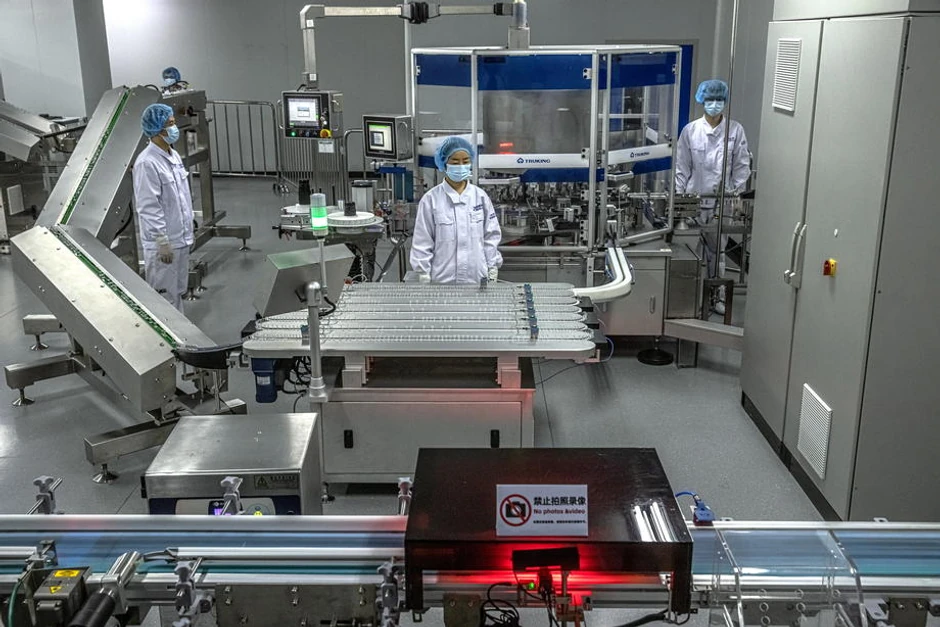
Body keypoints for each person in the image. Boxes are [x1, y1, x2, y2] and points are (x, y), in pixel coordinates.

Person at [675, 79, 751, 314]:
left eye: (718, 100)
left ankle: (716, 297)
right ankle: (693, 297)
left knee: (717, 253)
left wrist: (734, 196)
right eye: (710, 99)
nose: (714, 104)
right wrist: (680, 200)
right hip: (694, 200)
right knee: (691, 251)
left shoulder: (735, 131)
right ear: (702, 101)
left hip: (722, 202)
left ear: (725, 102)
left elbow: (742, 167)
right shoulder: (690, 131)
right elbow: (681, 167)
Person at [410, 136, 502, 284]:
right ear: (444, 163)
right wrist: (423, 272)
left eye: (465, 161)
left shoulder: (480, 197)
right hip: (443, 281)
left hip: (477, 280)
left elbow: (490, 235)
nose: (461, 166)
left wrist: (492, 265)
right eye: (455, 162)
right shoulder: (431, 200)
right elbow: (423, 240)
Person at [132, 103, 194, 312]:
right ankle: (170, 333)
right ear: (157, 129)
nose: (174, 128)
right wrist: (161, 241)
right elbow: (148, 206)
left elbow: (180, 196)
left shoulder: (172, 155)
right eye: (170, 124)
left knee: (179, 291)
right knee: (165, 299)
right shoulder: (146, 163)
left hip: (181, 238)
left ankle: (182, 331)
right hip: (164, 244)